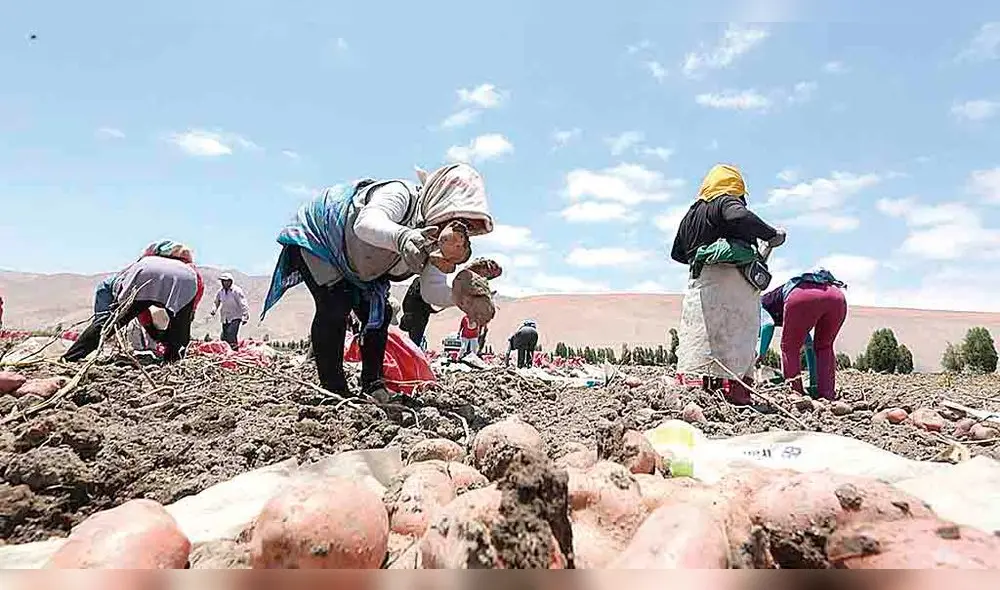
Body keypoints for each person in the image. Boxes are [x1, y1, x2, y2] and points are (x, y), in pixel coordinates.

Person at [261, 163, 495, 402]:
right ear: (442, 200)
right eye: (457, 220)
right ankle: (333, 389)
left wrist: (458, 296)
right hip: (323, 238)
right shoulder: (401, 194)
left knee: (380, 314)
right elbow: (366, 223)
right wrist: (402, 236)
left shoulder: (434, 242)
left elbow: (431, 290)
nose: (459, 231)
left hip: (361, 267)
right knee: (335, 305)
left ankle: (373, 384)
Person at [671, 164, 786, 405]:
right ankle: (733, 393)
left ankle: (697, 394)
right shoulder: (724, 201)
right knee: (732, 340)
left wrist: (703, 254)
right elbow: (738, 215)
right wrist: (770, 234)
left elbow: (677, 254)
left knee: (701, 339)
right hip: (731, 286)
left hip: (700, 288)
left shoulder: (690, 216)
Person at [64, 241, 205, 363]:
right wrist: (182, 322)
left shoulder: (148, 260)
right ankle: (173, 362)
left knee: (110, 323)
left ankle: (71, 357)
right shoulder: (191, 268)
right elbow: (191, 305)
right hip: (185, 279)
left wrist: (149, 327)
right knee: (180, 330)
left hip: (144, 271)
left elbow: (139, 310)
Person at [760, 269, 848, 400]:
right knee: (824, 347)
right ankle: (826, 393)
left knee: (789, 348)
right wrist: (813, 385)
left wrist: (759, 354)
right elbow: (808, 344)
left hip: (802, 295)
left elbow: (767, 326)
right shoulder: (782, 311)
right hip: (836, 296)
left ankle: (795, 393)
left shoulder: (759, 304)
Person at [400, 257, 502, 348]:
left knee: (415, 336)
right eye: (488, 273)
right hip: (420, 296)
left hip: (426, 300)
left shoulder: (469, 286)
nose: (488, 276)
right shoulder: (458, 278)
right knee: (414, 336)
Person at [210, 272, 250, 350]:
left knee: (231, 334)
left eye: (226, 281)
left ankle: (235, 351)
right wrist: (214, 309)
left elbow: (243, 303)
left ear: (230, 281)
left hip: (235, 316)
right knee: (225, 337)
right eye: (223, 281)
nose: (224, 283)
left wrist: (245, 315)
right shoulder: (220, 292)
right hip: (225, 317)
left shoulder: (236, 291)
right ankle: (227, 352)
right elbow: (216, 302)